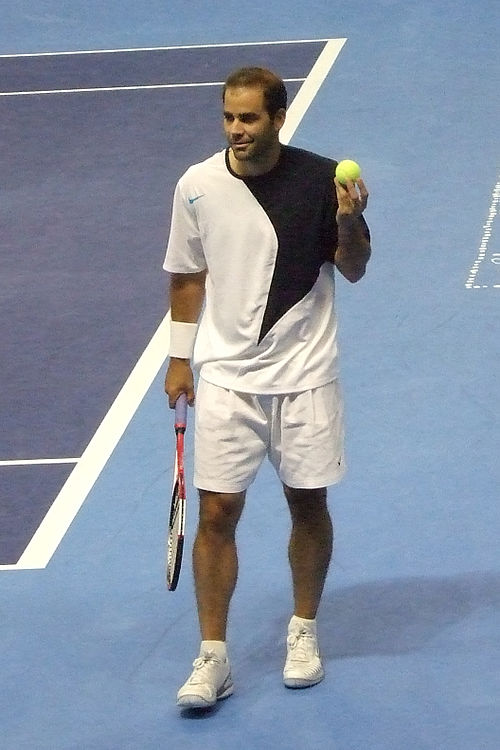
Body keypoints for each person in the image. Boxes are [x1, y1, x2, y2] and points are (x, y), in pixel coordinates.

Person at [163, 66, 370, 709]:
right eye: (228, 117)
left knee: (308, 505)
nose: (236, 130)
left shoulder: (321, 179)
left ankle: (303, 631)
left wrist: (349, 219)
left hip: (305, 375)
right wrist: (179, 359)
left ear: (278, 119)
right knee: (216, 513)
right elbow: (188, 274)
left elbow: (356, 268)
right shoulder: (196, 185)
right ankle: (213, 657)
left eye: (249, 118)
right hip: (227, 378)